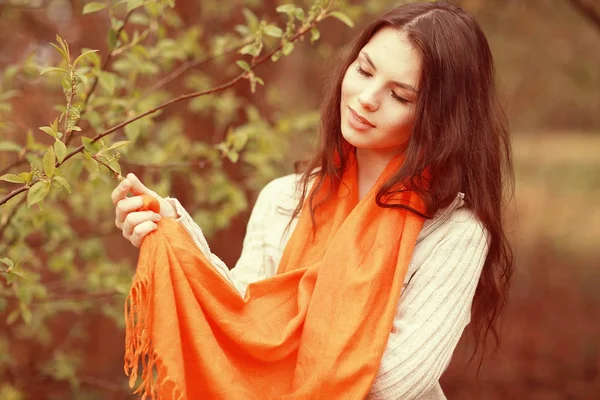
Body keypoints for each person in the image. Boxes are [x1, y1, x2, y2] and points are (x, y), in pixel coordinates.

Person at [111, 2, 513, 399]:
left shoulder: (454, 233)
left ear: (440, 118)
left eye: (401, 96)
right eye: (364, 70)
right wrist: (175, 234)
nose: (367, 98)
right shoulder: (286, 197)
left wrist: (273, 351)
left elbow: (393, 383)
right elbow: (241, 318)